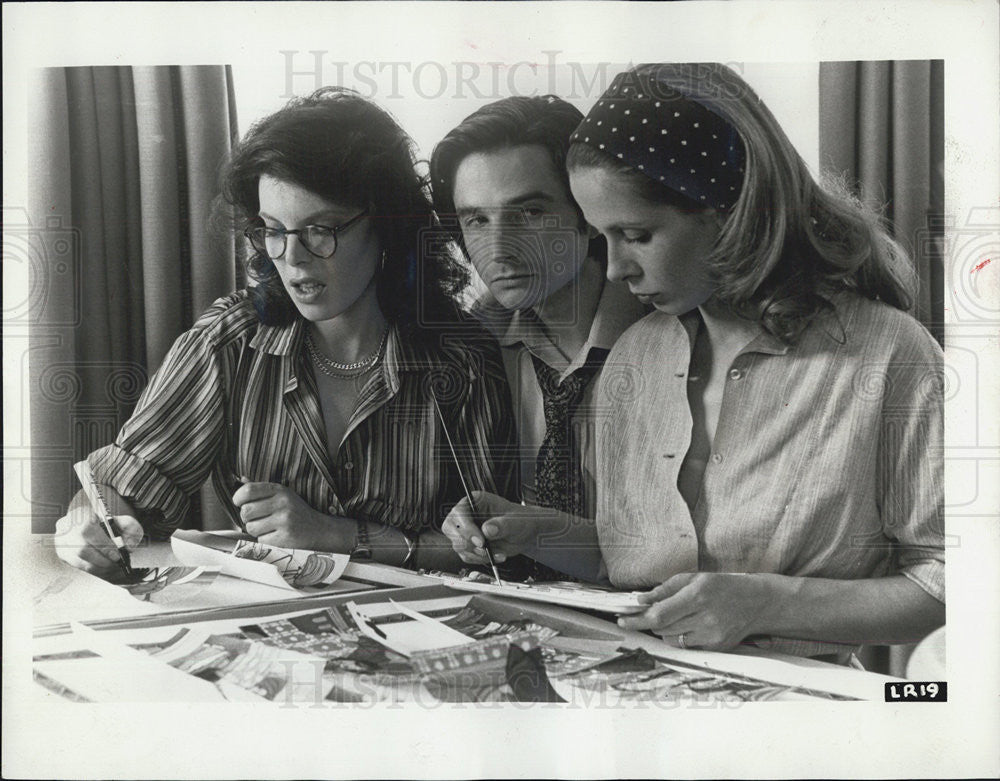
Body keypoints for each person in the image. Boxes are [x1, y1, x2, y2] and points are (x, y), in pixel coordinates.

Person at [444, 64, 944, 658]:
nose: (614, 269)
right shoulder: (638, 353)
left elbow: (949, 581)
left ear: (727, 210)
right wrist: (530, 529)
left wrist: (768, 603)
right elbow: (630, 560)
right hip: (637, 686)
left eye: (636, 234)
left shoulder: (890, 355)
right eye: (602, 237)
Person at [54, 87, 517, 575]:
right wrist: (87, 521)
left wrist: (338, 535)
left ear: (388, 226)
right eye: (273, 229)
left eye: (321, 229)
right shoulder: (229, 342)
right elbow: (116, 485)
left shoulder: (462, 360)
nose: (292, 258)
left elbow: (491, 550)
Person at [430, 96, 647, 576]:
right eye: (476, 220)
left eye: (528, 213)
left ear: (587, 215)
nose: (499, 251)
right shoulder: (474, 348)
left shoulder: (672, 336)